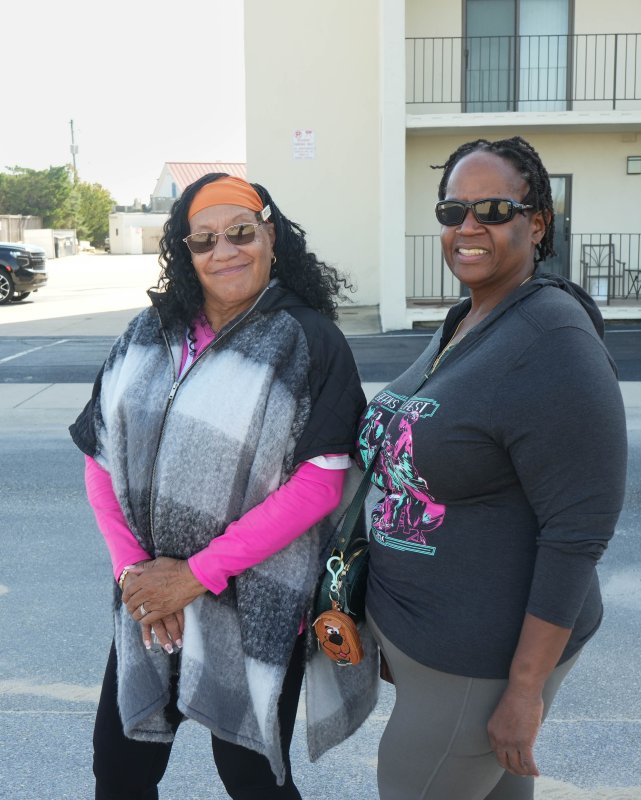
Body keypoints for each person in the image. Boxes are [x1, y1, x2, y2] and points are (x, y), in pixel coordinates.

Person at [69, 173, 379, 800]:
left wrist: (195, 574)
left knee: (252, 782)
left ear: (271, 235)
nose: (225, 251)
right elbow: (100, 456)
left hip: (255, 605)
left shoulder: (308, 341)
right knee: (119, 771)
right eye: (204, 240)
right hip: (150, 603)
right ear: (185, 253)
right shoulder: (147, 335)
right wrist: (135, 573)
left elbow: (320, 486)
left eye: (241, 232)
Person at [356, 136, 628, 800]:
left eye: (493, 209)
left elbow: (576, 533)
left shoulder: (552, 342)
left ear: (536, 223)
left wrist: (523, 691)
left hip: (478, 668)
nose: (467, 227)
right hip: (431, 649)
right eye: (452, 212)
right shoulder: (467, 318)